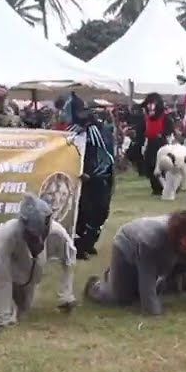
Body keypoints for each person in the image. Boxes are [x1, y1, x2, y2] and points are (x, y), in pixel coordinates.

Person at [83, 208, 186, 315]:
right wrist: (154, 311)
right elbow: (147, 282)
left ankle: (116, 275)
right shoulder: (151, 242)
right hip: (127, 245)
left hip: (158, 246)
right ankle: (95, 286)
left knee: (165, 281)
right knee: (121, 298)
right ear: (177, 235)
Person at [0, 194, 77, 325]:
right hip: (8, 274)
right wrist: (3, 316)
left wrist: (66, 296)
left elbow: (69, 259)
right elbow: (1, 276)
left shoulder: (58, 234)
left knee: (24, 307)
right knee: (3, 312)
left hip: (30, 277)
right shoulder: (6, 236)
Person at [66, 94, 116, 259]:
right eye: (80, 112)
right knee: (83, 213)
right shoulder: (70, 133)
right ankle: (80, 246)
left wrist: (100, 173)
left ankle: (89, 242)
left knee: (101, 211)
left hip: (101, 176)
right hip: (83, 179)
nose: (85, 116)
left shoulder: (97, 129)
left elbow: (105, 153)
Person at [140, 93, 171, 196]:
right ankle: (156, 188)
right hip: (150, 143)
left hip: (161, 143)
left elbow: (169, 130)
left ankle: (165, 186)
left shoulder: (164, 117)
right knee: (150, 166)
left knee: (162, 166)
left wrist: (162, 135)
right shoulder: (147, 117)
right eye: (148, 104)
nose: (150, 106)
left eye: (152, 103)